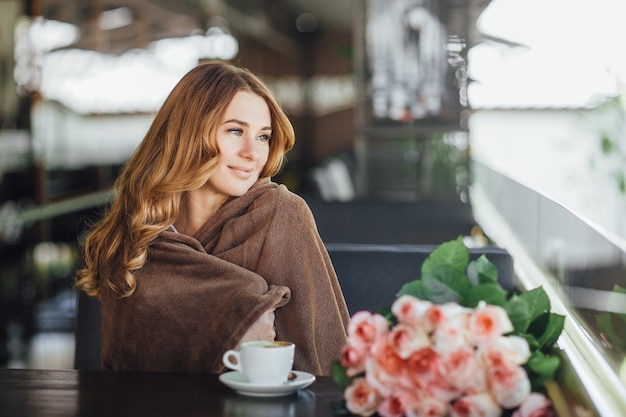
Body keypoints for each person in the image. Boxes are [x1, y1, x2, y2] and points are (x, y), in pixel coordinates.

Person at [74, 60, 350, 375]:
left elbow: (323, 357)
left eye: (263, 136)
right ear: (189, 134)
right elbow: (123, 357)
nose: (253, 153)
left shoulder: (280, 215)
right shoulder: (139, 230)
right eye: (235, 131)